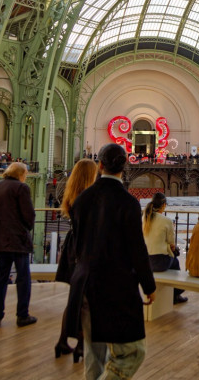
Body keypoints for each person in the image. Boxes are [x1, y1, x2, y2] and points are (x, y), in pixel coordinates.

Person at [68, 143, 155, 380]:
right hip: (114, 287)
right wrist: (149, 286)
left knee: (94, 353)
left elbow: (77, 246)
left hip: (84, 284)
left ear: (100, 165)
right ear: (124, 167)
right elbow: (137, 249)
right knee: (132, 352)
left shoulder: (82, 200)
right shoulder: (127, 202)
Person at [0, 161, 37, 328]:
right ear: (20, 174)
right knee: (23, 279)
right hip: (17, 241)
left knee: (0, 279)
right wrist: (26, 228)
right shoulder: (21, 188)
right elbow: (29, 215)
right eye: (25, 174)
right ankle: (22, 315)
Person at [54, 159, 99, 362]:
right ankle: (81, 344)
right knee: (86, 301)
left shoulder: (73, 194)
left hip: (73, 249)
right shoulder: (89, 198)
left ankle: (63, 341)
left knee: (76, 298)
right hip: (85, 250)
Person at [142, 193, 187, 304]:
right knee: (175, 257)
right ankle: (177, 292)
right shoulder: (167, 221)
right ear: (164, 205)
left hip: (146, 261)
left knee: (173, 257)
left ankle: (171, 293)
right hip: (159, 262)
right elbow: (171, 244)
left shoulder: (144, 217)